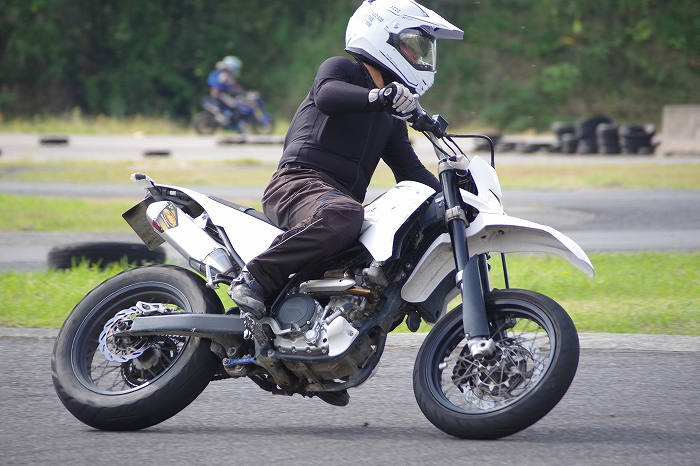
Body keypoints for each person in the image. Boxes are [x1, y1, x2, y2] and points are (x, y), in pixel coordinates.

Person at [229, 0, 463, 320]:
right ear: (384, 36)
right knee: (345, 213)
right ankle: (254, 278)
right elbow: (327, 95)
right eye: (413, 46)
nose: (419, 57)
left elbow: (411, 173)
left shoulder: (391, 119)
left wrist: (459, 199)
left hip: (335, 203)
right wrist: (379, 97)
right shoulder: (342, 69)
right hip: (297, 184)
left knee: (408, 227)